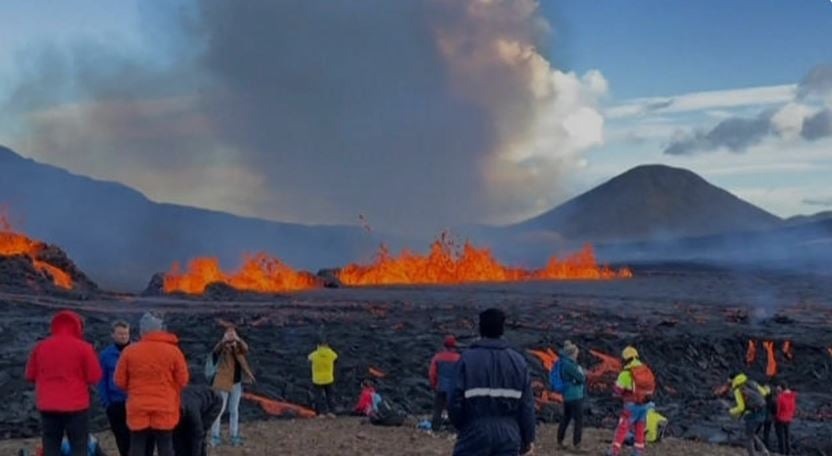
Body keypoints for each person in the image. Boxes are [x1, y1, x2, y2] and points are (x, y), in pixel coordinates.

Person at [448, 308, 535, 456]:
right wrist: (528, 439)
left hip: (474, 430)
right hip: (509, 434)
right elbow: (527, 405)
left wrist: (463, 425)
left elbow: (454, 399)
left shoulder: (467, 359)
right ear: (502, 329)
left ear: (481, 329)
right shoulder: (518, 362)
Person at [25, 310, 103, 456]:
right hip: (76, 406)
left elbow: (29, 375)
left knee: (51, 445)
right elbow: (94, 376)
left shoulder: (40, 347)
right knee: (79, 445)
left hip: (48, 405)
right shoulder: (84, 348)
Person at [114, 312, 189, 456]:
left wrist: (133, 389)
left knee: (137, 444)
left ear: (142, 331)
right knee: (165, 445)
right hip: (165, 405)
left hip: (138, 405)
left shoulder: (129, 351)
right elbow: (183, 380)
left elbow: (119, 381)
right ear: (160, 330)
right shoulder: (173, 351)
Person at [209, 327, 255, 448]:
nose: (231, 336)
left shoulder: (238, 347)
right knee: (220, 410)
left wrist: (238, 340)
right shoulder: (223, 347)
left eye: (232, 333)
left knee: (234, 410)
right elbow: (215, 351)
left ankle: (234, 435)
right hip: (223, 382)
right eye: (228, 333)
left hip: (236, 383)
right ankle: (215, 436)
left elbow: (246, 349)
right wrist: (223, 341)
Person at [608, 346, 656, 456]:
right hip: (645, 405)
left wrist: (616, 392)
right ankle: (638, 452)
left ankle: (614, 451)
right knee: (640, 428)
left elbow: (618, 390)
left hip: (631, 405)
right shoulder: (646, 370)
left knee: (622, 427)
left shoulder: (626, 373)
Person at [98, 320, 132, 456]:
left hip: (134, 401)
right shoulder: (106, 355)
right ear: (113, 335)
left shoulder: (137, 351)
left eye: (126, 334)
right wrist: (106, 402)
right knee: (121, 437)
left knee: (137, 437)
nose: (123, 336)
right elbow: (102, 379)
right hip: (115, 402)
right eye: (120, 334)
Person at [554, 340, 586, 452]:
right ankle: (577, 445)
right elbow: (581, 378)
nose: (577, 355)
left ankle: (560, 441)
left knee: (566, 418)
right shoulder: (570, 365)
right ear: (572, 353)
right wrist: (579, 376)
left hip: (567, 396)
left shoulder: (564, 363)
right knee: (578, 420)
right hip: (575, 396)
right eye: (576, 353)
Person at [174, 385, 224, 456]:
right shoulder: (174, 406)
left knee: (200, 432)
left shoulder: (192, 410)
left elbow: (198, 434)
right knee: (181, 434)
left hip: (214, 402)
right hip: (196, 397)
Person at [729, 373, 771, 456]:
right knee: (752, 433)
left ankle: (753, 454)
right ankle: (764, 450)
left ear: (733, 380)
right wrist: (767, 389)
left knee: (749, 437)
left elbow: (741, 407)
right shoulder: (752, 382)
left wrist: (731, 411)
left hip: (752, 413)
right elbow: (764, 393)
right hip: (763, 410)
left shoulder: (738, 389)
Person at [428, 335, 461, 432]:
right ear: (454, 346)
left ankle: (435, 428)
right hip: (453, 389)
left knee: (438, 409)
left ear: (444, 345)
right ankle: (453, 428)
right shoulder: (459, 358)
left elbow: (432, 373)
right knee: (453, 409)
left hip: (440, 387)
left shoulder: (438, 357)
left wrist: (434, 385)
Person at [308, 339, 339, 418]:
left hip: (317, 379)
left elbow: (309, 358)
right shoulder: (331, 353)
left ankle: (321, 413)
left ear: (318, 346)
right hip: (329, 378)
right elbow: (336, 356)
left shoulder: (314, 354)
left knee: (319, 397)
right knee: (330, 396)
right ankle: (332, 412)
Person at [774, 382, 797, 455]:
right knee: (787, 436)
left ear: (781, 388)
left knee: (781, 437)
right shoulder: (792, 396)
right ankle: (788, 452)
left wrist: (776, 417)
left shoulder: (780, 397)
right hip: (789, 418)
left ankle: (782, 453)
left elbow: (778, 409)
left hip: (780, 419)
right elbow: (793, 407)